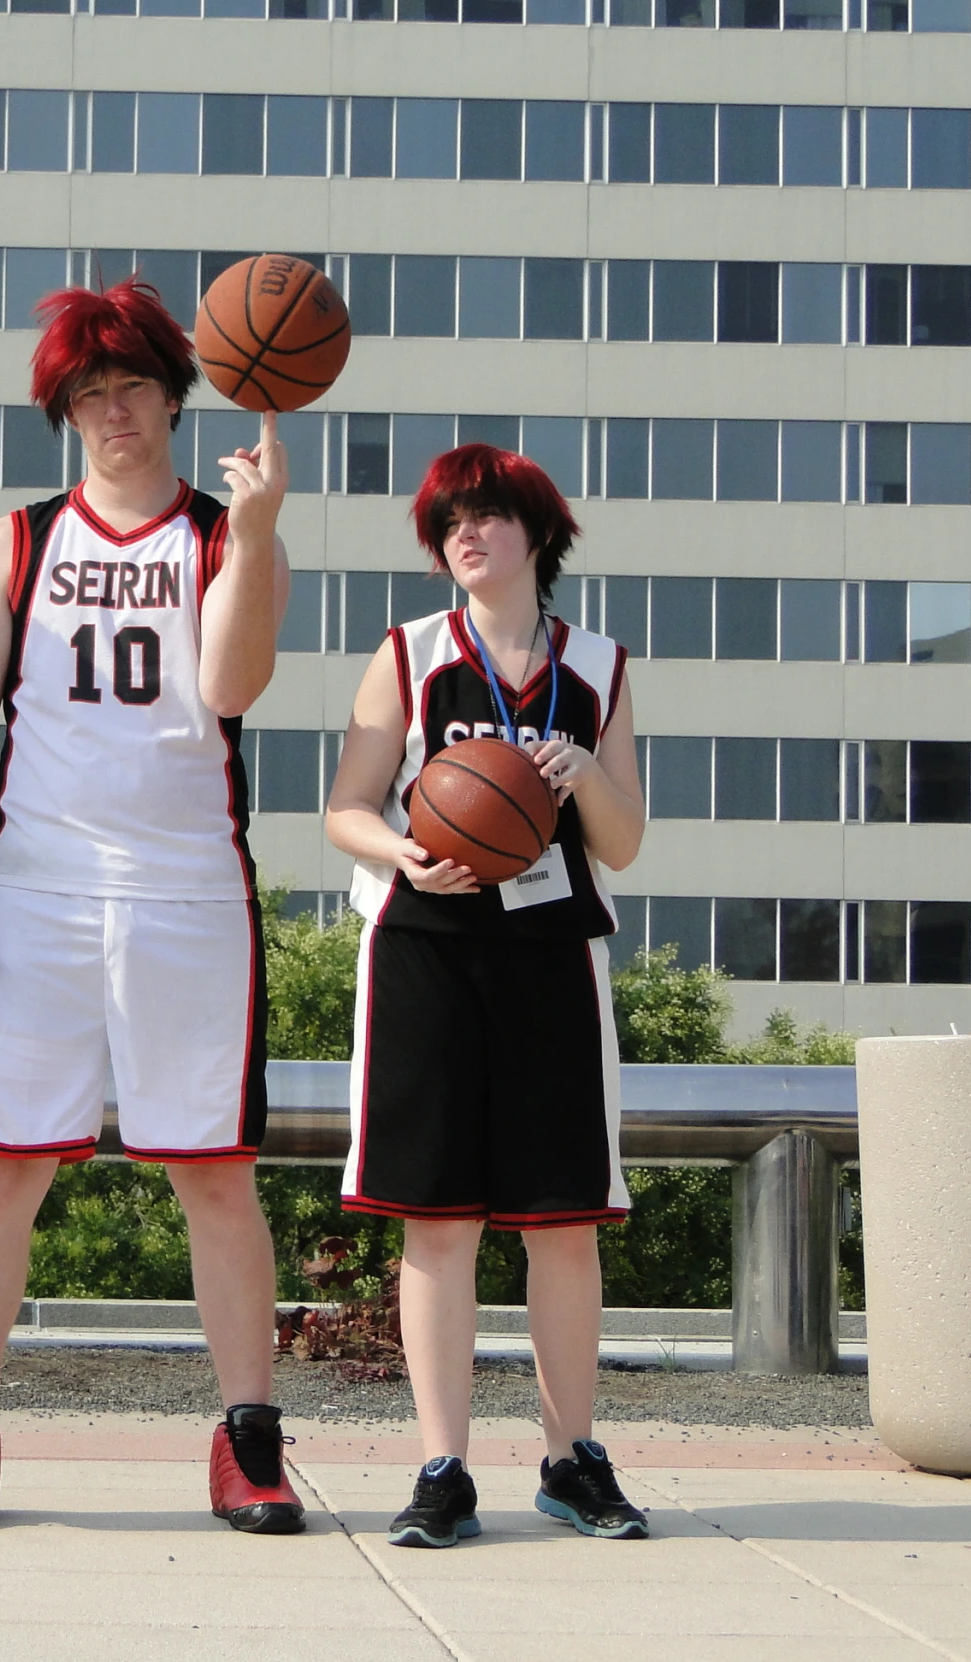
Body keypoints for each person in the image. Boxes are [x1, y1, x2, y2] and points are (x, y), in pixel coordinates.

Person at [0, 279, 302, 1535]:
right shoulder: (11, 542)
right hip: (35, 894)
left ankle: (247, 1440)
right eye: (87, 395)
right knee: (1, 1171)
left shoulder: (216, 532)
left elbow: (232, 684)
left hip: (187, 888)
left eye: (130, 386)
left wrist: (260, 532)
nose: (110, 412)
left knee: (214, 1176)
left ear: (173, 394)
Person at [322, 443, 650, 1546]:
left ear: (535, 532)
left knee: (562, 1224)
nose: (464, 534)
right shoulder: (410, 655)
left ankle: (569, 1460)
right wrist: (406, 852)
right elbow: (345, 808)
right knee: (438, 1217)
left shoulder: (596, 664)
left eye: (485, 516)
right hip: (425, 948)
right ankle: (441, 1467)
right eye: (447, 523)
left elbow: (625, 840)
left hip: (552, 953)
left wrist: (583, 777)